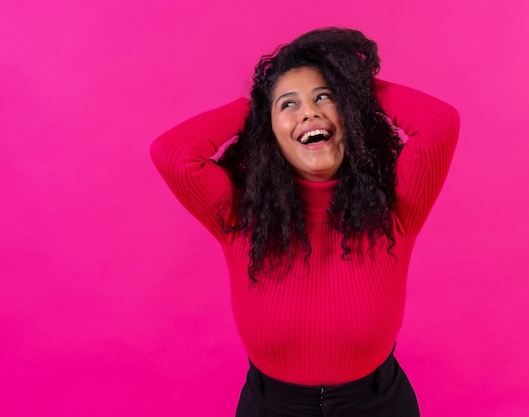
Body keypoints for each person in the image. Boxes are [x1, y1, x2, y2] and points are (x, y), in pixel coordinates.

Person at [151, 27, 459, 417]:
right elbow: (173, 154)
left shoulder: (395, 208)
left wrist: (353, 86)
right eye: (289, 105)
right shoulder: (240, 214)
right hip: (270, 407)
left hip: (378, 405)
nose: (308, 112)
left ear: (348, 114)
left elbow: (440, 124)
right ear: (270, 132)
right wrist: (259, 102)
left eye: (324, 97)